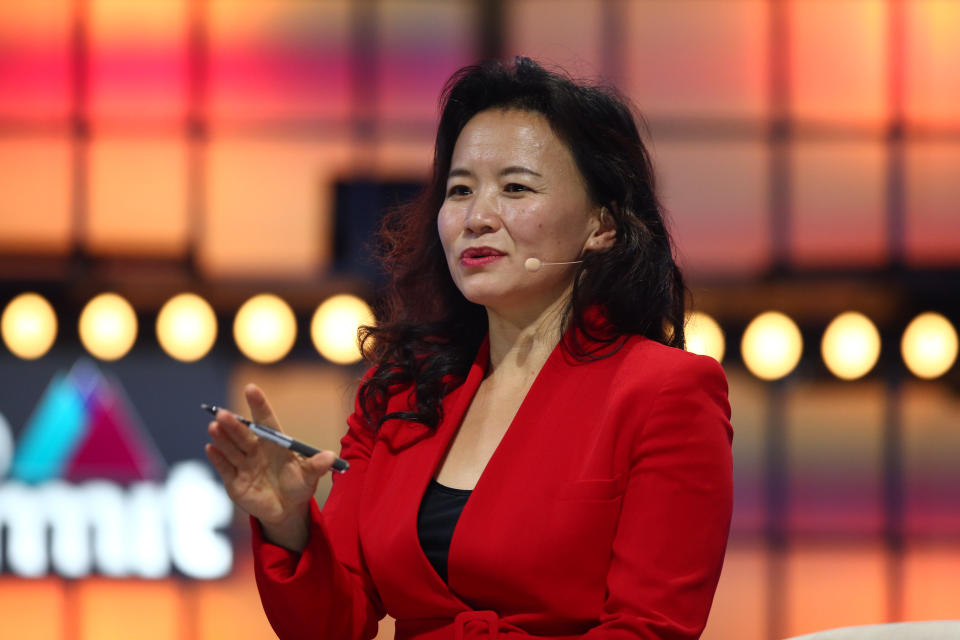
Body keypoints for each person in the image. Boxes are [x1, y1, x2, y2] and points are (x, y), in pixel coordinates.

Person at [205, 57, 733, 640]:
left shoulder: (666, 391)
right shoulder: (403, 390)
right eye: (460, 190)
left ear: (601, 225)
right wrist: (287, 525)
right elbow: (336, 624)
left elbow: (649, 630)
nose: (477, 217)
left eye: (515, 188)